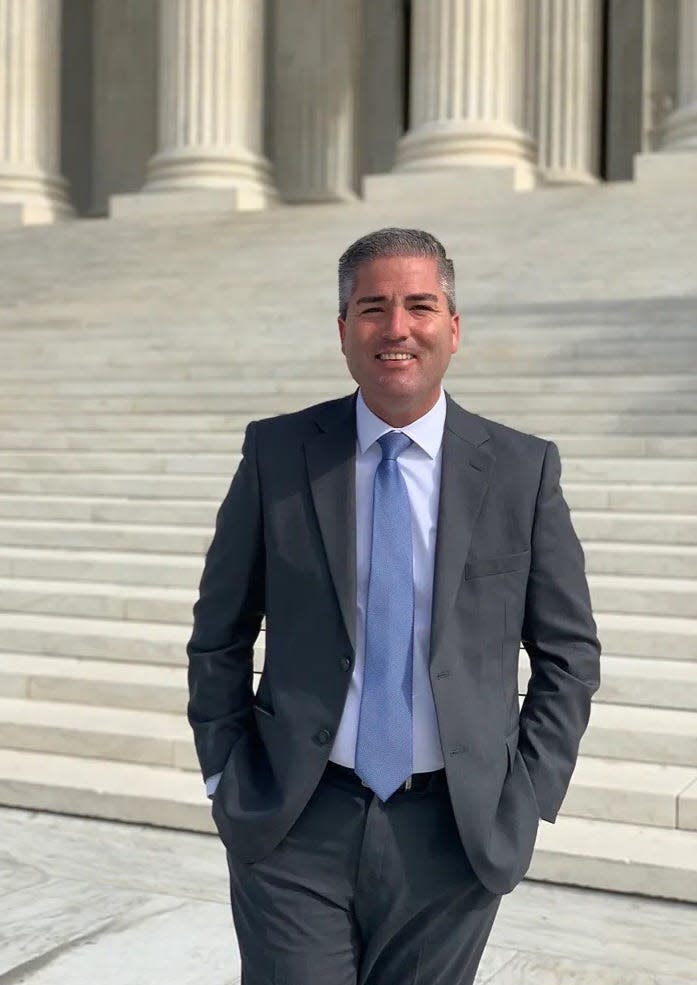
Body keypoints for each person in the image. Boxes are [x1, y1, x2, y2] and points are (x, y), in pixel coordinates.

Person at [186, 227, 602, 985]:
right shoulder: (277, 454)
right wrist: (225, 773)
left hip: (454, 835)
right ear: (344, 330)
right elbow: (218, 632)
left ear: (453, 325)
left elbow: (568, 655)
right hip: (293, 820)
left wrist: (525, 794)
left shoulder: (520, 468)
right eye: (373, 308)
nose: (397, 327)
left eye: (420, 304)